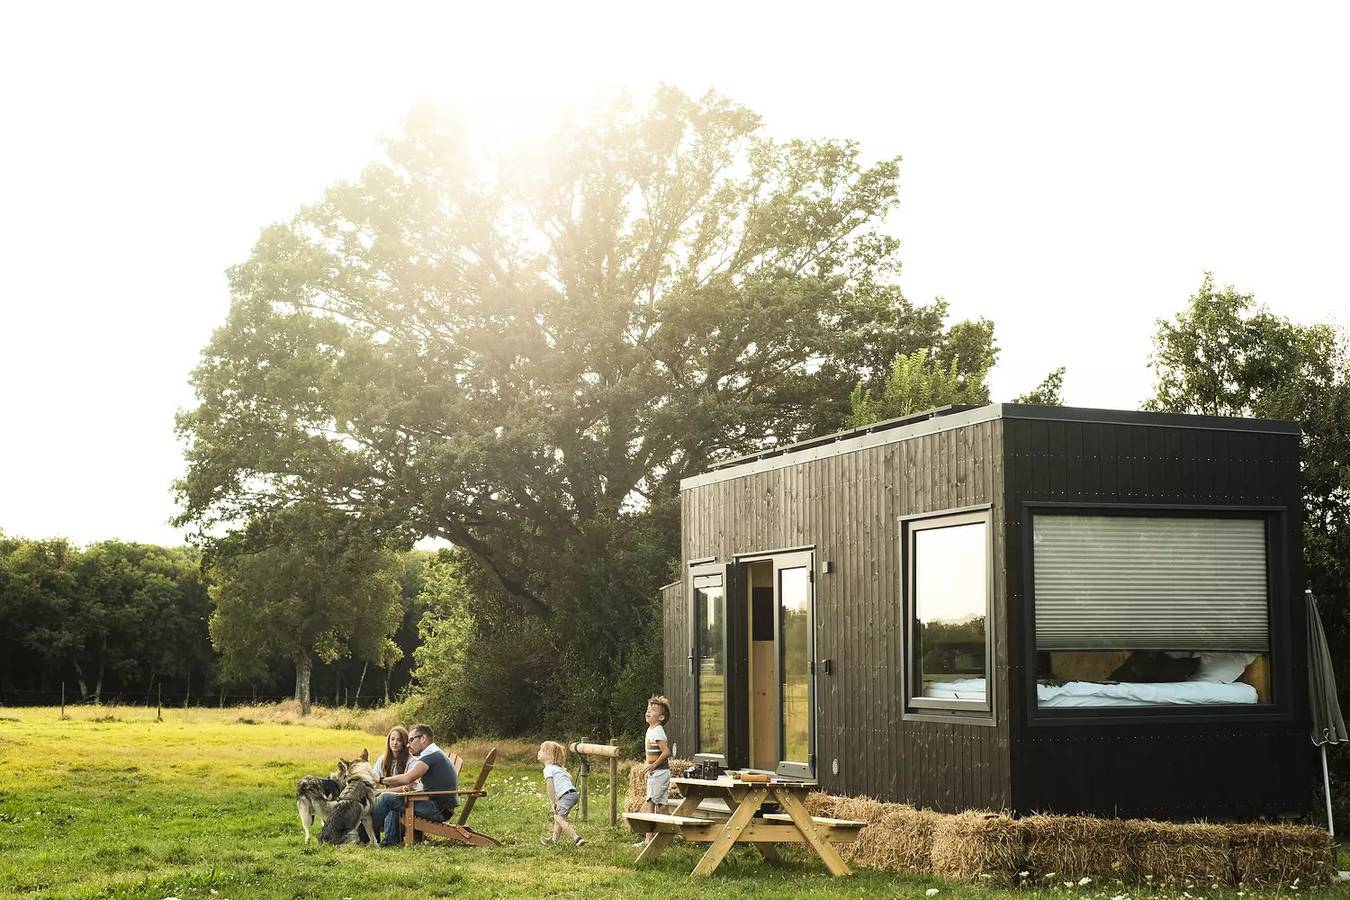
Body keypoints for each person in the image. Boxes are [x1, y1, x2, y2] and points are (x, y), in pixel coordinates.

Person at [370, 723, 458, 846]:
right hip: (438, 804)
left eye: (411, 740)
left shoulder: (430, 756)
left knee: (387, 798)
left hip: (438, 809)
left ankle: (364, 835)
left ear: (423, 738)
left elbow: (408, 778)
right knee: (396, 799)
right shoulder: (433, 753)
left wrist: (381, 780)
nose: (408, 744)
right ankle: (390, 841)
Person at [633, 694, 671, 848]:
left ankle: (648, 840)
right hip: (657, 773)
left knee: (650, 802)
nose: (648, 711)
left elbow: (666, 752)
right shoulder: (651, 729)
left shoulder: (658, 731)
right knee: (662, 806)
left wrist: (654, 766)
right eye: (648, 709)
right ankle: (667, 836)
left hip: (659, 773)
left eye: (653, 710)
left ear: (661, 717)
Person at [536, 740, 585, 847]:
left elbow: (550, 787)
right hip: (572, 794)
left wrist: (552, 802)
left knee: (558, 818)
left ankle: (576, 838)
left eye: (542, 750)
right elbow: (570, 777)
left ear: (550, 756)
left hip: (566, 796)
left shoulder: (548, 769)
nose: (538, 752)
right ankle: (554, 840)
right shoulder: (557, 768)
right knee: (559, 817)